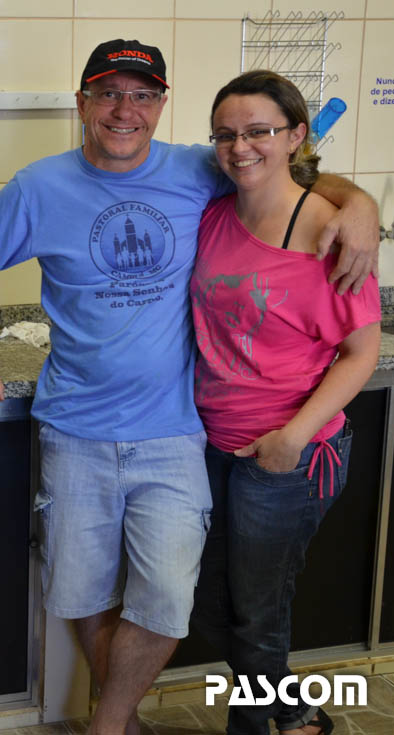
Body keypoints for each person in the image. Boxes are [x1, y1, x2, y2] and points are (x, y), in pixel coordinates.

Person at [0, 39, 379, 735]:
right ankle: (130, 721)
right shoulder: (40, 187)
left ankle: (147, 723)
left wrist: (360, 204)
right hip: (80, 429)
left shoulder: (198, 169)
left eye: (142, 95)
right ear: (83, 103)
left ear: (162, 104)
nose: (124, 109)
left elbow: (287, 173)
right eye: (108, 93)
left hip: (184, 436)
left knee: (180, 605)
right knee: (101, 596)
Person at [189, 70, 380, 735]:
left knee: (258, 610)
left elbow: (360, 353)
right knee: (211, 601)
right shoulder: (215, 210)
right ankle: (295, 711)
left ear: (296, 135)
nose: (240, 147)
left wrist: (292, 438)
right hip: (211, 443)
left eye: (259, 132)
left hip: (287, 457)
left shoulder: (329, 232)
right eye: (225, 134)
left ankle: (257, 727)